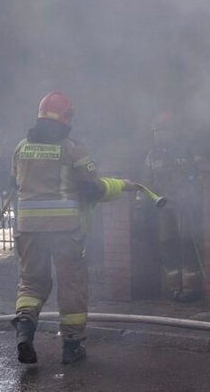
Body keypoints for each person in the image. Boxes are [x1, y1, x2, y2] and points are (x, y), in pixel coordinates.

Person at [11, 91, 131, 365]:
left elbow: (14, 182)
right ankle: (72, 346)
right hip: (65, 231)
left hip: (28, 230)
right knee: (72, 285)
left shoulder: (20, 148)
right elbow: (91, 188)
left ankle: (24, 332)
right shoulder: (73, 149)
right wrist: (117, 186)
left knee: (31, 283)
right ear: (66, 118)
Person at [144, 109, 206, 302]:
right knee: (167, 246)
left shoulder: (188, 151)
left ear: (173, 131)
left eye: (162, 131)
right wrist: (145, 202)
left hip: (185, 207)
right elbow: (147, 181)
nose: (158, 135)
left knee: (187, 245)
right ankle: (173, 289)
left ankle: (191, 289)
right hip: (164, 208)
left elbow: (202, 176)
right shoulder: (152, 154)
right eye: (156, 131)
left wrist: (193, 197)